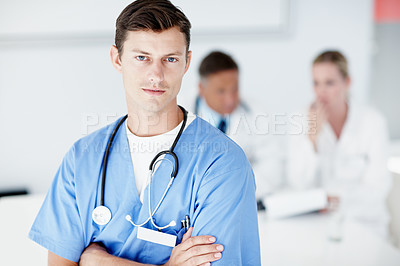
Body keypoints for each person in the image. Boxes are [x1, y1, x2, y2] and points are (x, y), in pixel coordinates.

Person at [28, 1, 261, 265]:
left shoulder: (223, 163)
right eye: (142, 57)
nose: (156, 75)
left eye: (170, 59)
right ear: (117, 59)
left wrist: (97, 260)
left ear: (186, 63)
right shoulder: (81, 160)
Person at [286, 50, 391, 237]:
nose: (321, 91)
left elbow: (378, 187)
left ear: (347, 82)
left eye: (330, 83)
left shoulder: (373, 122)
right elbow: (298, 183)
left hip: (366, 224)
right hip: (317, 226)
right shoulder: (300, 118)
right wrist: (312, 138)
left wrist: (334, 201)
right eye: (316, 83)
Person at [192, 51, 284, 201]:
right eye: (221, 91)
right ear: (201, 89)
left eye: (235, 89)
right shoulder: (180, 114)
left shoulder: (256, 112)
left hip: (245, 200)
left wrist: (234, 191)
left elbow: (273, 168)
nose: (230, 99)